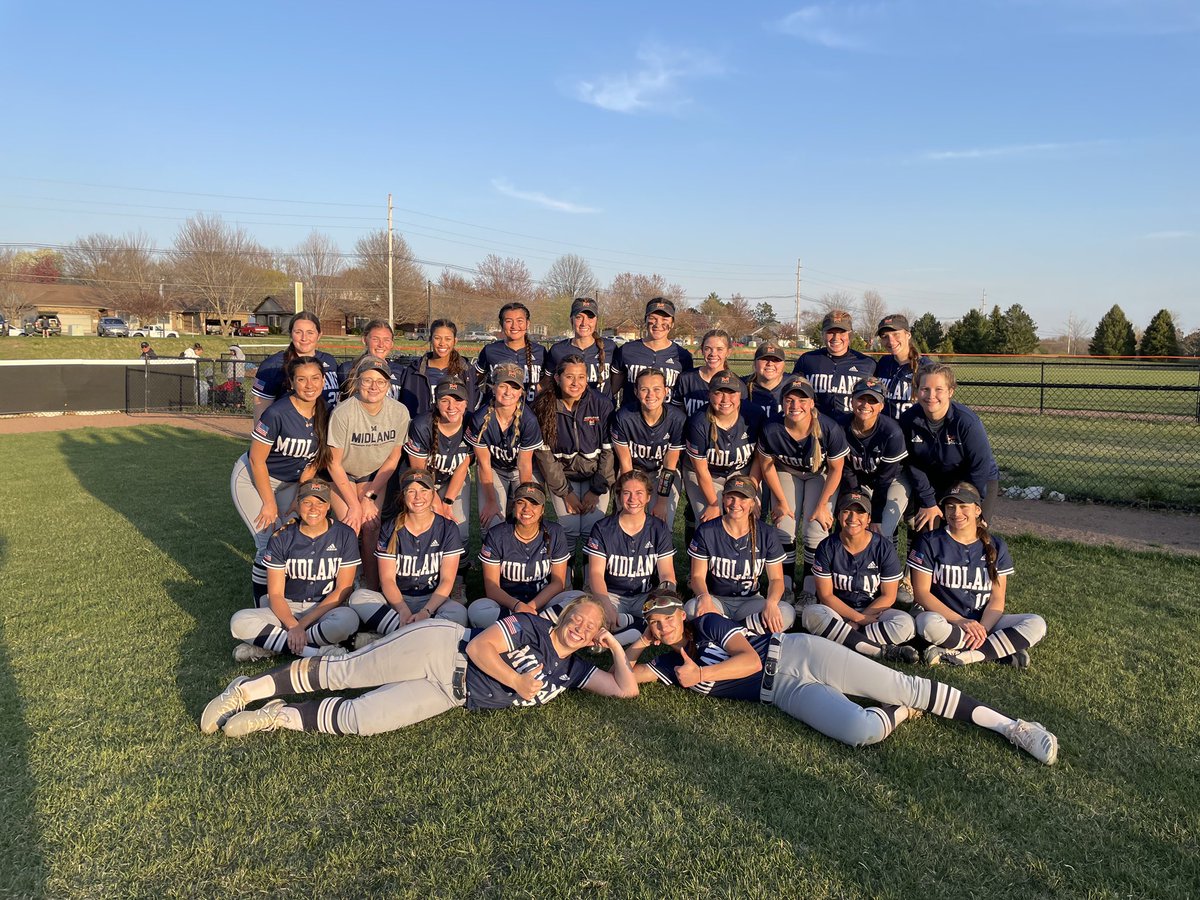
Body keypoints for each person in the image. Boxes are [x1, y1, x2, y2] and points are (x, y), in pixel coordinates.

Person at [624, 591, 1057, 764]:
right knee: (859, 729)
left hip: (798, 653)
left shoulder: (708, 626)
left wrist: (703, 672)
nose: (662, 627)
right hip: (784, 695)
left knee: (908, 683)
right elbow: (623, 681)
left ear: (681, 614)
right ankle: (901, 713)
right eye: (654, 623)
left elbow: (749, 663)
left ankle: (1013, 727)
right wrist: (637, 642)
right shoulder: (667, 664)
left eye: (665, 618)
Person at [200, 594, 639, 738]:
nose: (580, 628)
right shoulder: (531, 626)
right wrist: (517, 682)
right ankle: (244, 690)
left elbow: (626, 691)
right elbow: (483, 649)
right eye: (576, 618)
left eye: (591, 627)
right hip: (440, 649)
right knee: (343, 672)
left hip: (451, 695)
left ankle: (275, 716)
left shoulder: (574, 669)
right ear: (562, 617)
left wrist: (614, 649)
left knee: (363, 719)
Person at [909, 483, 1046, 668]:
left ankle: (964, 656)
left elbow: (997, 600)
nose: (956, 512)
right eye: (950, 507)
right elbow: (922, 594)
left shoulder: (996, 545)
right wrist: (962, 622)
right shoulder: (929, 541)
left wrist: (983, 629)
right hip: (947, 621)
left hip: (985, 622)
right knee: (926, 623)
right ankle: (998, 651)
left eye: (963, 506)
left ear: (977, 510)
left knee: (1036, 623)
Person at [230, 355, 331, 604]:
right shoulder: (278, 412)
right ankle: (261, 606)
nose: (310, 385)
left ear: (323, 380)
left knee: (289, 538)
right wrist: (268, 502)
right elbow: (256, 460)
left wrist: (299, 497)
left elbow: (313, 462)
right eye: (302, 379)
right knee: (268, 543)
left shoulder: (323, 411)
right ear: (292, 382)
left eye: (315, 378)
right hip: (253, 479)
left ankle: (286, 599)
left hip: (290, 483)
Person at [228, 479, 360, 662]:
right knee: (239, 620)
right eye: (307, 502)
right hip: (287, 608)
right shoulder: (282, 537)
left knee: (349, 620)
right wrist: (292, 625)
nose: (313, 508)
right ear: (297, 505)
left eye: (320, 502)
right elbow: (275, 594)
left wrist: (301, 626)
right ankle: (316, 653)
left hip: (324, 610)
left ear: (328, 505)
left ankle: (275, 645)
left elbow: (343, 589)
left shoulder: (345, 534)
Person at [347, 469, 468, 644]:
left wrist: (426, 612)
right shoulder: (391, 528)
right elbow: (387, 580)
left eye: (424, 491)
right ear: (403, 496)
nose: (418, 497)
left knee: (458, 613)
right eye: (411, 491)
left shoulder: (447, 528)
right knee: (358, 598)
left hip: (432, 600)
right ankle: (422, 637)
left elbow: (447, 580)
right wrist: (403, 610)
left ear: (433, 494)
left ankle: (389, 637)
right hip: (397, 600)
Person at [755, 378, 847, 599]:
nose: (795, 405)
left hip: (820, 475)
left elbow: (836, 469)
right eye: (789, 400)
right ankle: (785, 586)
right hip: (786, 472)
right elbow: (767, 468)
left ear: (812, 403)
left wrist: (823, 505)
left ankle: (809, 588)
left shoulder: (828, 428)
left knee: (816, 528)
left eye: (802, 399)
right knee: (784, 525)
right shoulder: (772, 427)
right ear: (782, 403)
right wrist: (780, 501)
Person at [325, 355, 410, 590]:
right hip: (343, 474)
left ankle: (372, 588)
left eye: (381, 381)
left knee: (371, 525)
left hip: (372, 476)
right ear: (357, 381)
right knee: (349, 525)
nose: (374, 386)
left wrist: (368, 497)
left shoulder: (399, 412)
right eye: (367, 380)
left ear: (389, 385)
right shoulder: (343, 412)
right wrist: (354, 504)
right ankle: (343, 588)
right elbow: (333, 464)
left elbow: (393, 458)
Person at [802, 490, 917, 663]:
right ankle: (881, 651)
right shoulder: (827, 546)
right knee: (810, 613)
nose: (852, 518)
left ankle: (839, 641)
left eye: (860, 512)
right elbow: (825, 596)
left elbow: (889, 596)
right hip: (838, 613)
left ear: (869, 518)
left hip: (873, 611)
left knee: (906, 623)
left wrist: (860, 620)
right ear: (839, 515)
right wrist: (856, 618)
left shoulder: (883, 547)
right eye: (847, 511)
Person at [686, 474, 795, 635]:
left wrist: (771, 603)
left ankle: (723, 631)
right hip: (717, 600)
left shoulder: (766, 533)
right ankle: (746, 632)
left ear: (753, 502)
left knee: (786, 613)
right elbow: (696, 577)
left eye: (743, 498)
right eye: (731, 497)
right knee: (690, 608)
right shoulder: (707, 530)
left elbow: (777, 579)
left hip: (750, 601)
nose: (736, 504)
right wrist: (704, 596)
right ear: (723, 499)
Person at [532, 354, 615, 561]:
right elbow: (545, 457)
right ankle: (564, 580)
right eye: (569, 377)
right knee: (567, 527)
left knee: (592, 528)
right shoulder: (544, 406)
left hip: (595, 475)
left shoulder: (602, 404)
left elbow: (608, 451)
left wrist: (596, 490)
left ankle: (589, 580)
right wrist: (565, 492)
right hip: (563, 477)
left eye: (581, 377)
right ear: (558, 379)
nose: (575, 383)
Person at [581, 469, 676, 645]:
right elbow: (595, 574)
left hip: (646, 595)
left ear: (648, 497)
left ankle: (615, 636)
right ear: (619, 496)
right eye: (627, 493)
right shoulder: (603, 528)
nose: (633, 499)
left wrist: (664, 602)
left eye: (639, 493)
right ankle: (636, 629)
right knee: (597, 618)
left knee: (666, 621)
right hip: (611, 594)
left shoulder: (658, 528)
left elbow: (666, 574)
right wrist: (606, 604)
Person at [901, 362, 1000, 529]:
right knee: (927, 530)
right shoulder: (909, 419)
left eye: (939, 389)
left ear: (950, 392)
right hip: (935, 481)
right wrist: (929, 502)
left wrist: (969, 503)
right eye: (925, 389)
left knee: (969, 530)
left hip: (975, 480)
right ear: (917, 392)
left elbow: (979, 467)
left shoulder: (967, 422)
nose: (931, 395)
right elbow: (913, 464)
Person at [467, 482, 572, 628]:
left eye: (534, 504)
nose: (526, 509)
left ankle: (515, 627)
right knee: (477, 609)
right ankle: (538, 626)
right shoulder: (497, 534)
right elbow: (491, 587)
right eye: (521, 502)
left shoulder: (555, 532)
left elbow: (558, 582)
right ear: (513, 506)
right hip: (508, 604)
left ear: (542, 509)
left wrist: (531, 607)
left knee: (577, 598)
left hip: (542, 602)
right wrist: (517, 606)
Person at [467, 362, 543, 530]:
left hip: (520, 471)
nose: (509, 392)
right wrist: (491, 501)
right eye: (503, 386)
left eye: (515, 387)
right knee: (492, 522)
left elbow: (524, 464)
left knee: (524, 518)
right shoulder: (480, 418)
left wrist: (526, 500)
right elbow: (484, 465)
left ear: (521, 392)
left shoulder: (528, 420)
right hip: (494, 469)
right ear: (493, 388)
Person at [403, 376, 474, 551]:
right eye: (445, 400)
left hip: (452, 479)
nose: (452, 407)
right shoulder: (422, 424)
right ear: (436, 403)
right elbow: (418, 470)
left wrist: (448, 502)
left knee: (460, 531)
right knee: (424, 526)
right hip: (421, 481)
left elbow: (462, 466)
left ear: (466, 403)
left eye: (458, 400)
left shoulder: (472, 423)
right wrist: (436, 503)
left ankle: (458, 575)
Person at [610, 368, 687, 526]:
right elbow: (626, 465)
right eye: (644, 389)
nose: (651, 395)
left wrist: (662, 502)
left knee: (662, 523)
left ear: (666, 391)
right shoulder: (624, 417)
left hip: (662, 472)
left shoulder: (677, 419)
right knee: (628, 518)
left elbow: (669, 465)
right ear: (636, 392)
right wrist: (634, 495)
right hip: (633, 470)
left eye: (657, 389)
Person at [683, 370, 760, 524]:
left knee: (746, 518)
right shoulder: (698, 422)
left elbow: (759, 459)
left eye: (731, 393)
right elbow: (701, 470)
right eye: (719, 393)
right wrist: (713, 503)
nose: (725, 399)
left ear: (740, 395)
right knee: (711, 522)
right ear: (709, 395)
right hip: (705, 475)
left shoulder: (754, 414)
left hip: (741, 472)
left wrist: (751, 493)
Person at [841, 377, 909, 542]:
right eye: (861, 398)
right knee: (851, 525)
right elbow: (846, 468)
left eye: (872, 401)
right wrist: (856, 494)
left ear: (882, 406)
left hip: (893, 480)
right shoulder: (841, 425)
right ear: (851, 401)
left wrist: (876, 516)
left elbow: (885, 478)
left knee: (881, 530)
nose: (865, 405)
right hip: (858, 480)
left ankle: (887, 565)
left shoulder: (891, 432)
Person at [252, 311, 340, 423]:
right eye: (298, 332)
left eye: (310, 333)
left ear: (319, 335)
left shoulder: (329, 361)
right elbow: (261, 412)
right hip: (290, 435)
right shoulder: (272, 365)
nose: (304, 338)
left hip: (326, 432)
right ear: (290, 334)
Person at [792, 309, 876, 421]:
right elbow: (793, 393)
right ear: (823, 334)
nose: (836, 338)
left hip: (852, 428)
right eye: (830, 332)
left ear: (850, 334)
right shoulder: (807, 360)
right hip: (816, 427)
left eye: (842, 332)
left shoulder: (867, 363)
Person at [610, 297, 694, 408]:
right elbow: (611, 391)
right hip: (631, 420)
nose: (658, 324)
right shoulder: (627, 351)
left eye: (665, 319)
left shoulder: (683, 356)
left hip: (668, 421)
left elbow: (684, 397)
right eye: (653, 318)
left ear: (672, 323)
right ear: (645, 320)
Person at [398, 318, 476, 417]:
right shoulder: (414, 371)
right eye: (437, 338)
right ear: (430, 339)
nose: (442, 343)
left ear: (455, 341)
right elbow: (406, 406)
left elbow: (471, 406)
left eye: (448, 339)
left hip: (455, 430)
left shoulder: (466, 370)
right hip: (423, 430)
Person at [473, 302, 545, 403]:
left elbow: (546, 383)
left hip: (531, 411)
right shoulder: (490, 350)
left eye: (520, 321)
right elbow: (473, 381)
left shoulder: (540, 351)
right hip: (496, 412)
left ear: (528, 323)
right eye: (508, 321)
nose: (514, 326)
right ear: (501, 324)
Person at [547, 297, 617, 396]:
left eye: (590, 317)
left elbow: (617, 382)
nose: (584, 323)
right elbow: (547, 383)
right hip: (569, 410)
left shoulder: (610, 347)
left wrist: (607, 400)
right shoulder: (558, 350)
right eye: (579, 317)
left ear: (596, 320)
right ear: (571, 319)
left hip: (603, 410)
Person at [874, 314, 934, 420]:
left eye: (896, 334)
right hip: (885, 430)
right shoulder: (883, 363)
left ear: (908, 335)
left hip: (912, 430)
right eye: (885, 337)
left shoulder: (926, 367)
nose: (891, 341)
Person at [337, 320, 403, 401]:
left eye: (386, 340)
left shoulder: (400, 371)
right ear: (364, 340)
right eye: (375, 339)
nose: (381, 345)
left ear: (392, 343)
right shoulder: (347, 369)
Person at [675, 328, 731, 416]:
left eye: (719, 349)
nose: (713, 353)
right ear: (702, 350)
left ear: (728, 352)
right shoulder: (686, 379)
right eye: (708, 348)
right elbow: (676, 416)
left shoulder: (735, 384)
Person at [744, 341, 795, 424]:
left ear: (783, 364)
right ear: (755, 362)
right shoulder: (741, 386)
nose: (770, 363)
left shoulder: (793, 384)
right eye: (765, 359)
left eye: (776, 360)